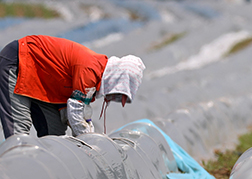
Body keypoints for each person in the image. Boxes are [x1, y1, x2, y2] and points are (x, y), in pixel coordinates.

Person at [0, 35, 145, 138]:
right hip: (19, 61)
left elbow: (77, 114)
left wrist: (87, 132)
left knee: (55, 134)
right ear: (115, 79)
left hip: (42, 78)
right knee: (19, 133)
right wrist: (89, 141)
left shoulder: (94, 75)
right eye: (118, 93)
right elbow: (76, 113)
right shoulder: (90, 69)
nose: (113, 98)